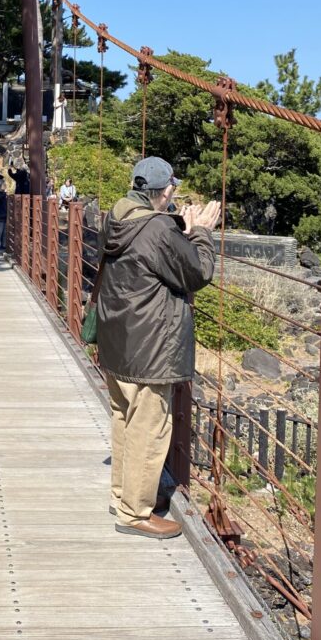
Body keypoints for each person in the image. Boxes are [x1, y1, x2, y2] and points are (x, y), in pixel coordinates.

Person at [97, 156, 219, 540]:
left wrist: (177, 224)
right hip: (151, 343)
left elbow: (150, 251)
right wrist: (200, 232)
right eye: (172, 190)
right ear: (164, 191)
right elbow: (196, 272)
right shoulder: (158, 230)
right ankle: (136, 512)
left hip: (119, 339)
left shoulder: (118, 218)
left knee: (124, 419)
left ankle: (122, 497)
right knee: (150, 427)